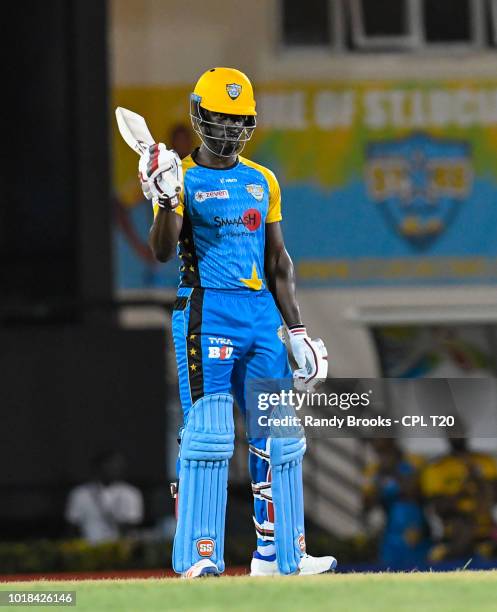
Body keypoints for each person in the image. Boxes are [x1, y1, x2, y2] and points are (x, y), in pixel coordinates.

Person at [138, 67, 335, 578]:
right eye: (220, 119)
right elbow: (161, 250)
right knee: (209, 436)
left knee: (282, 435)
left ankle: (281, 556)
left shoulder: (262, 179)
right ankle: (199, 557)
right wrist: (164, 198)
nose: (228, 130)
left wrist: (297, 331)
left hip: (260, 315)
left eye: (238, 121)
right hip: (207, 310)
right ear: (199, 117)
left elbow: (279, 263)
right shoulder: (182, 177)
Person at [420, 437, 497, 562]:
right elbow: (438, 507)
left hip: (484, 534)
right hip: (453, 535)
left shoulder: (484, 462)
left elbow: (491, 499)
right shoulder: (438, 466)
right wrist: (462, 490)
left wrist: (477, 478)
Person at [362, 439, 430, 569]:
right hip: (391, 535)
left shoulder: (413, 463)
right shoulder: (375, 472)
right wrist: (378, 484)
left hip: (417, 531)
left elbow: (415, 493)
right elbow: (366, 506)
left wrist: (394, 472)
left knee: (420, 572)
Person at [65, 451, 144, 544]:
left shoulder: (131, 493)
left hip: (119, 550)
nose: (113, 469)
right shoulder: (80, 493)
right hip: (88, 549)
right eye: (108, 465)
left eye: (117, 465)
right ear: (97, 467)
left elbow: (132, 525)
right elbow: (72, 526)